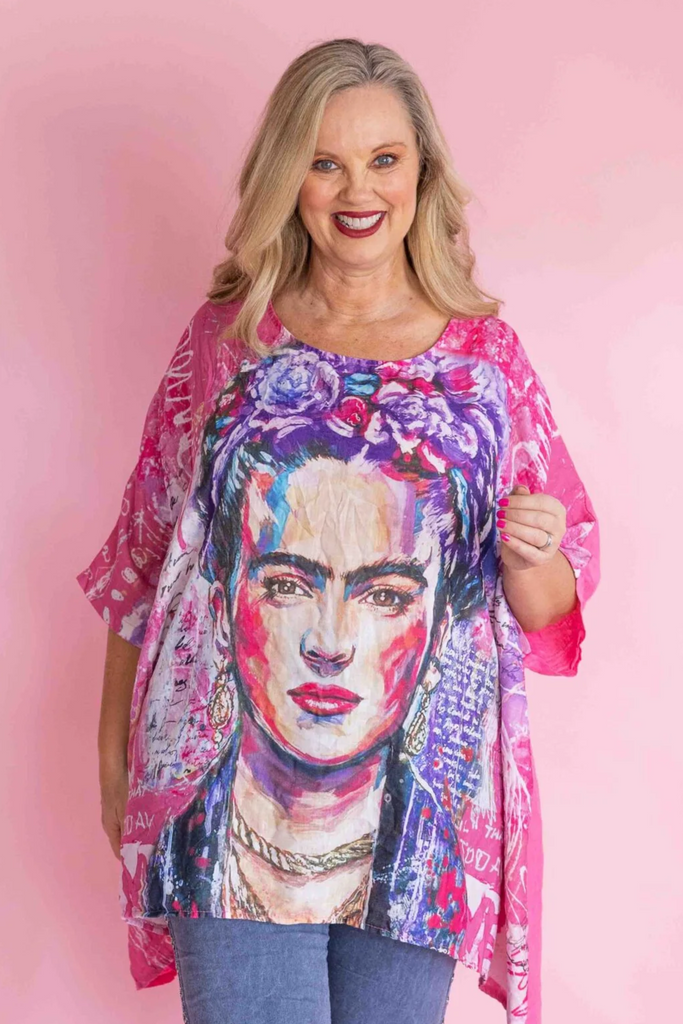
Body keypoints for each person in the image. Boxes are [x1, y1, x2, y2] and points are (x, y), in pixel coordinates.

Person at [77, 37, 600, 1024]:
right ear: (289, 177)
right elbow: (144, 557)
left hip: (420, 822)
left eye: (383, 159)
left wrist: (531, 553)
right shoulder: (229, 339)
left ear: (420, 173)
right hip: (227, 810)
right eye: (325, 162)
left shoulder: (485, 361)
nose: (357, 190)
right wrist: (113, 758)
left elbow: (547, 604)